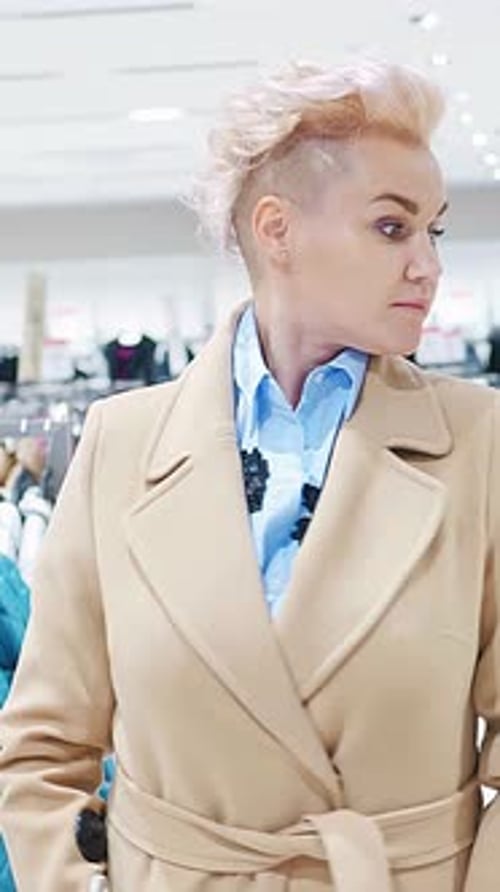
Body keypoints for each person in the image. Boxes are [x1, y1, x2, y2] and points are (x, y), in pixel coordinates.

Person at [0, 58, 498, 892]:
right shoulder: (123, 444)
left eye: (433, 231)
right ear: (277, 230)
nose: (427, 265)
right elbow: (44, 748)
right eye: (391, 227)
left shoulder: (482, 445)